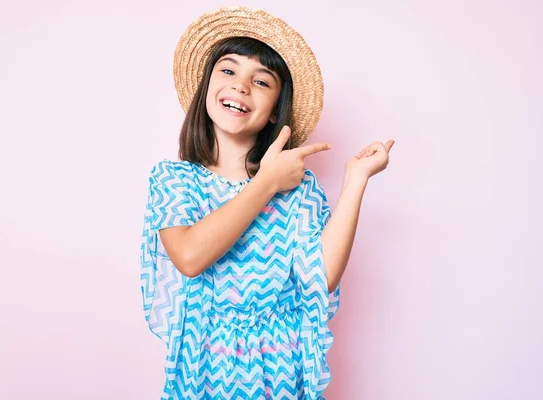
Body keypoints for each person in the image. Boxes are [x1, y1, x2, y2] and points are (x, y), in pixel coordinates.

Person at [140, 6, 394, 399]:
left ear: (275, 109)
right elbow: (190, 257)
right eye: (228, 71)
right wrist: (267, 183)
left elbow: (320, 279)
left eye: (261, 81)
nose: (241, 86)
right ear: (207, 86)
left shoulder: (299, 188)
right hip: (203, 366)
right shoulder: (174, 180)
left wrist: (355, 180)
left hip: (279, 368)